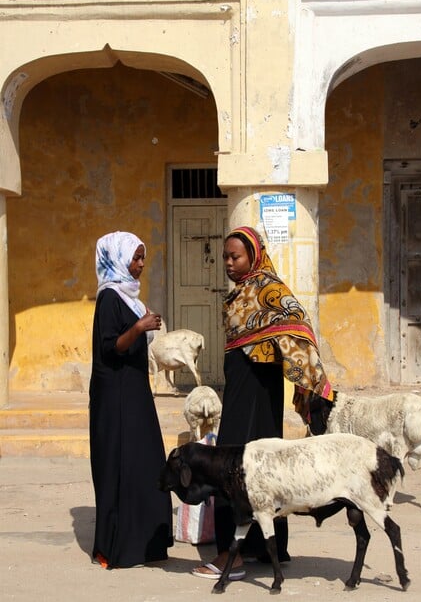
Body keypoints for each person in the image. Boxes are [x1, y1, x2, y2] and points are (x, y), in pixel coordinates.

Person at [192, 225, 333, 580]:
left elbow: (298, 327)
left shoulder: (270, 289)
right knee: (257, 467)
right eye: (225, 256)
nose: (228, 262)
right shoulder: (243, 291)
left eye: (235, 256)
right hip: (243, 387)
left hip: (258, 392)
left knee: (234, 464)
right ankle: (261, 546)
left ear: (252, 256)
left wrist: (310, 380)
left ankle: (231, 555)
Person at [89, 230, 173, 569]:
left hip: (134, 390)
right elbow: (110, 346)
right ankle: (117, 547)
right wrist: (139, 328)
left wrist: (145, 324)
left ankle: (146, 543)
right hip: (116, 396)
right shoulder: (110, 297)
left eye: (142, 259)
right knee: (121, 466)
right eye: (135, 258)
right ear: (118, 259)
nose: (140, 265)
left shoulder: (128, 297)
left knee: (144, 463)